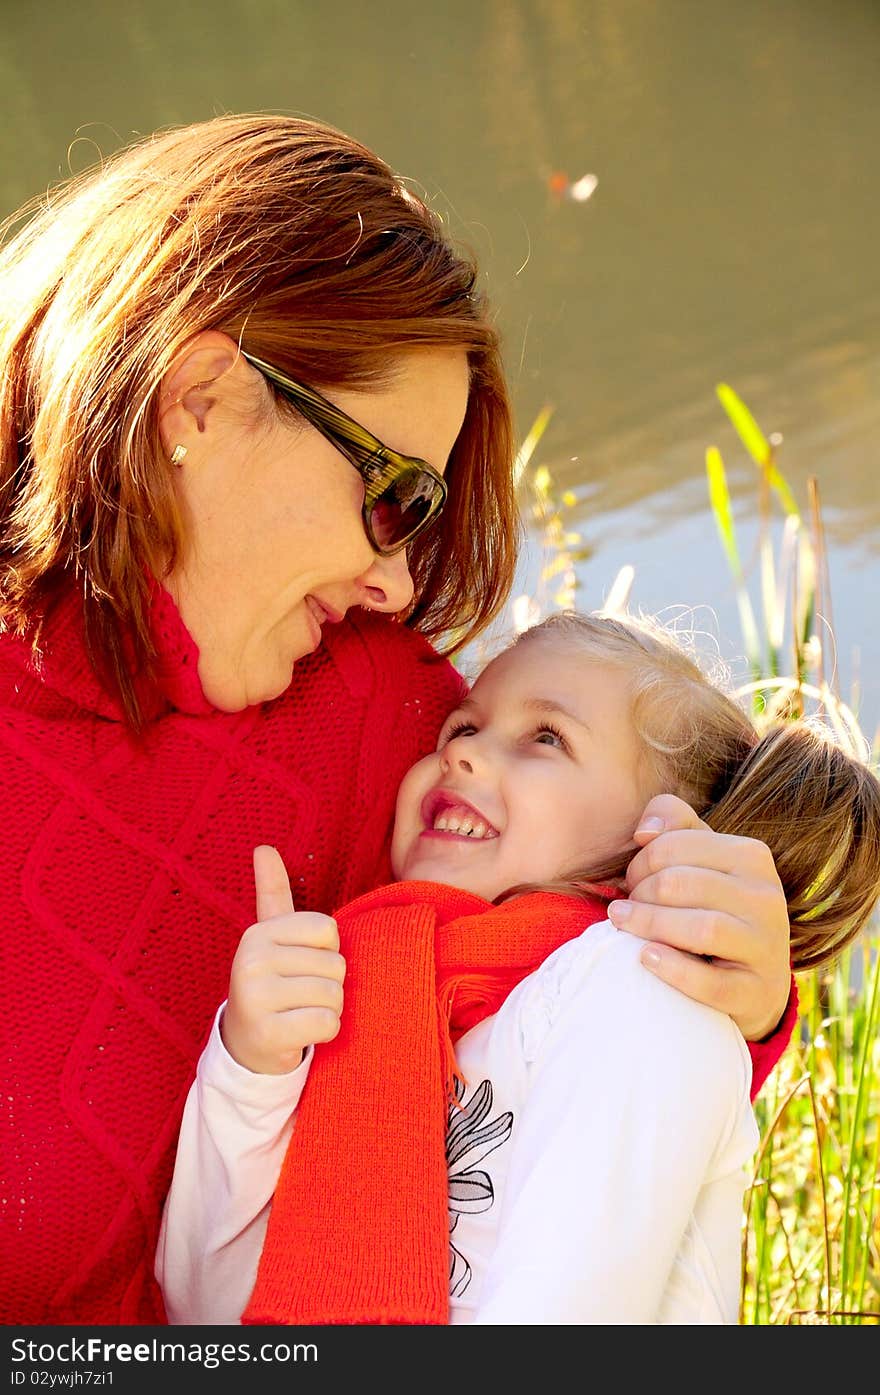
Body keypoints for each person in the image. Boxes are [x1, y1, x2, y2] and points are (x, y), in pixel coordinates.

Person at [1, 114, 794, 1328]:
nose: (399, 583)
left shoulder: (375, 710)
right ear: (201, 401)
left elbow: (573, 921)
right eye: (391, 493)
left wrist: (734, 980)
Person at [154, 609, 880, 1325]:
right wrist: (252, 1070)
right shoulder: (369, 997)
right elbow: (203, 1311)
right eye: (463, 726)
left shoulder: (641, 996)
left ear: (659, 831)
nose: (462, 754)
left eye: (546, 737)